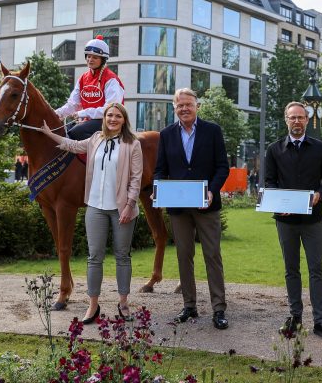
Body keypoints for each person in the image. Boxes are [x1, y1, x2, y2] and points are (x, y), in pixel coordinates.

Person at [39, 102, 142, 324]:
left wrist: (129, 204)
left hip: (122, 209)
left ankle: (123, 303)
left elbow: (136, 179)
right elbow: (73, 145)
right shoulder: (96, 138)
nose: (113, 119)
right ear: (104, 118)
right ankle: (93, 305)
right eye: (109, 115)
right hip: (95, 206)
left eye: (117, 116)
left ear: (124, 120)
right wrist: (49, 134)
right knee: (94, 258)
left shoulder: (132, 143)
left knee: (122, 257)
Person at [153, 88, 230, 329]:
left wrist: (211, 191)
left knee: (212, 256)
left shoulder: (212, 131)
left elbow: (222, 167)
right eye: (180, 105)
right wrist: (159, 188)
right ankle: (189, 305)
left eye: (188, 104)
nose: (184, 108)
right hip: (178, 209)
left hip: (206, 205)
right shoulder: (166, 134)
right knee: (183, 256)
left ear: (197, 106)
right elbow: (159, 169)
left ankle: (219, 309)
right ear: (174, 108)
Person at [265, 101, 322, 342]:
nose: (297, 121)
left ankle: (320, 320)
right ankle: (295, 316)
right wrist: (277, 203)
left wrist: (320, 193)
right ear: (286, 119)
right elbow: (269, 182)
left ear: (307, 120)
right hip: (285, 221)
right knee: (291, 269)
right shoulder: (274, 149)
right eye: (292, 117)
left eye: (301, 117)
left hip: (312, 219)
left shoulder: (319, 148)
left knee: (316, 269)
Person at [55, 36, 125, 140]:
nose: (90, 60)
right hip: (86, 121)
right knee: (61, 132)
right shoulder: (82, 78)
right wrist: (56, 113)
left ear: (103, 60)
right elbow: (73, 104)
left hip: (108, 122)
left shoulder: (111, 79)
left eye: (95, 57)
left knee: (74, 133)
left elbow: (110, 110)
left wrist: (83, 113)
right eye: (88, 56)